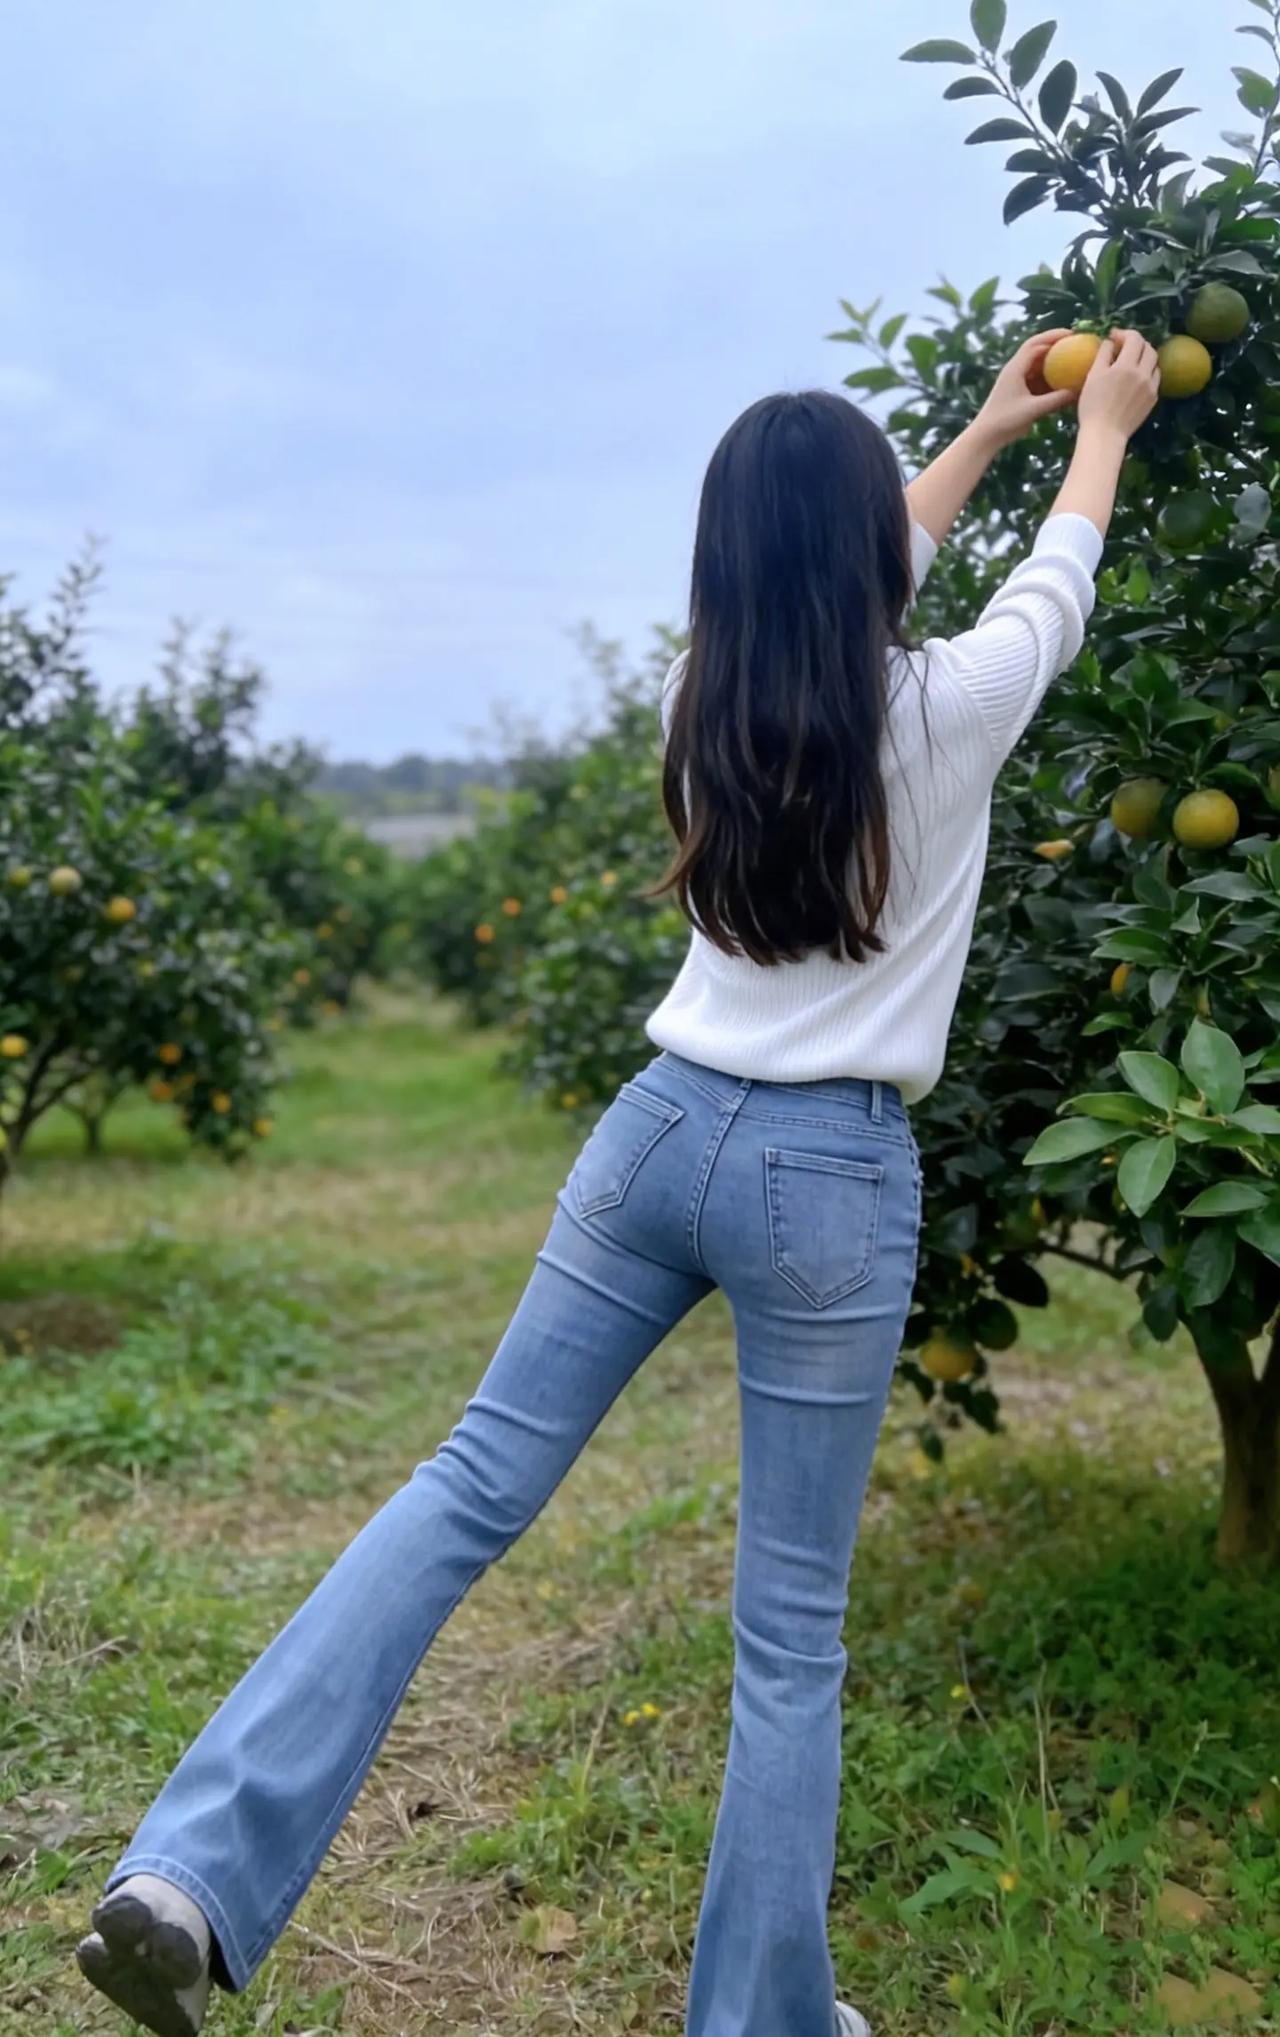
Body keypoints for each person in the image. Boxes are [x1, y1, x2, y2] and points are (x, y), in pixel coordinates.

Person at [78, 328, 1160, 2037]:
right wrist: (1095, 425)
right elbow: (1058, 578)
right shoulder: (949, 713)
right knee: (789, 1630)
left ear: (721, 562)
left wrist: (974, 428)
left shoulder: (697, 696)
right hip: (830, 1176)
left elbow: (859, 572)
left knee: (459, 1490)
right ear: (869, 550)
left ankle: (191, 1873)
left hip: (655, 1132)